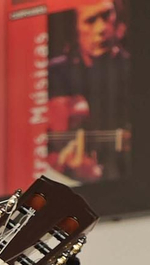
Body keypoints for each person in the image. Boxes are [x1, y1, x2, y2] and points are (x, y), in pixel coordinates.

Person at [45, 0, 132, 183]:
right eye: (90, 20)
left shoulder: (133, 69)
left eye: (107, 16)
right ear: (74, 29)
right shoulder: (53, 73)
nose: (101, 28)